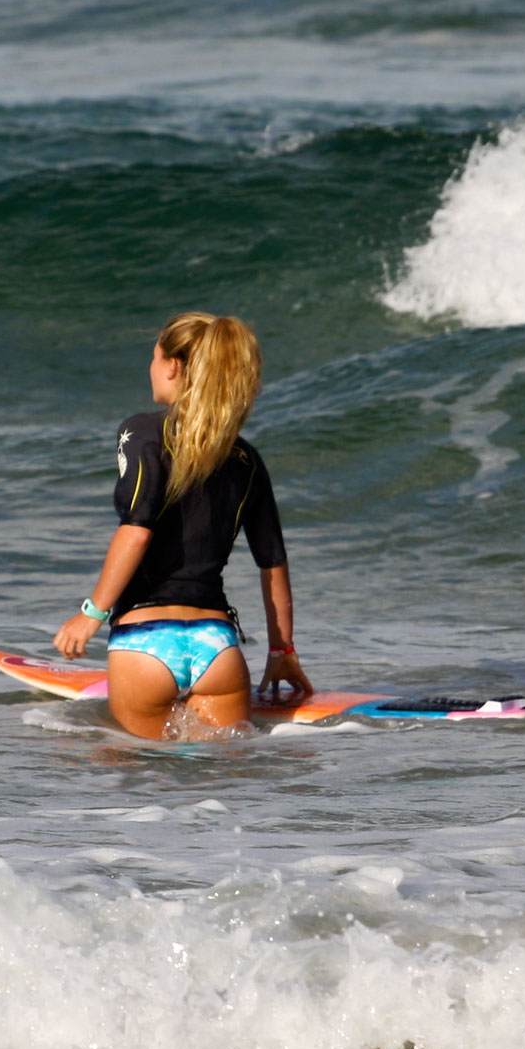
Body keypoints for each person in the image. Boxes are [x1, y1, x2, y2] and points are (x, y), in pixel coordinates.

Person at [53, 312, 312, 740]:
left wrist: (90, 615)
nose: (151, 368)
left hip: (145, 644)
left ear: (172, 366)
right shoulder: (246, 458)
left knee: (141, 781)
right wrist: (281, 651)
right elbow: (273, 564)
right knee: (221, 786)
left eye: (154, 357)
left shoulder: (143, 432)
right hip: (218, 649)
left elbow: (137, 529)